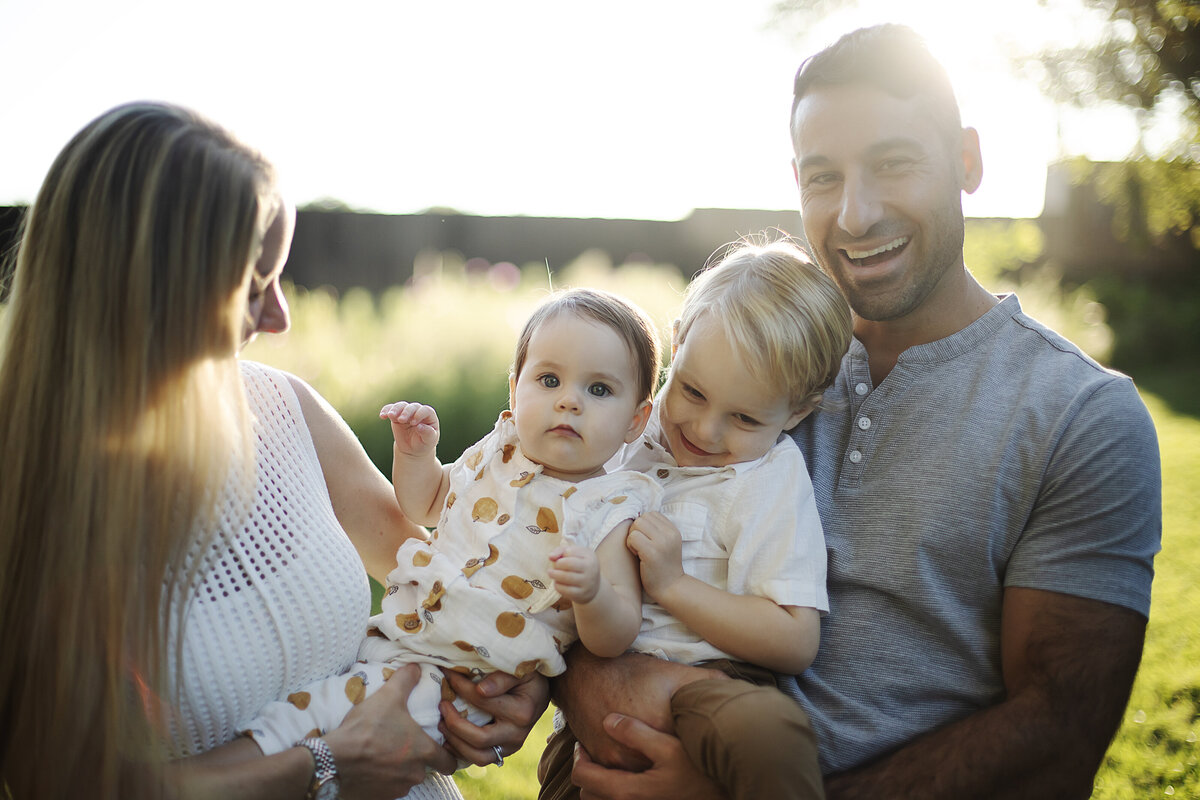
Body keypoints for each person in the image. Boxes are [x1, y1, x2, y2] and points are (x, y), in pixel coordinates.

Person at [544, 24, 1162, 800]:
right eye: (823, 177)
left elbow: (1057, 739)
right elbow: (563, 534)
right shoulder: (743, 362)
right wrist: (592, 688)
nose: (856, 214)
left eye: (894, 164)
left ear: (967, 160)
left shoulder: (1080, 418)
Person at [0, 101, 546, 800]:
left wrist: (515, 687)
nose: (280, 317)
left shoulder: (286, 410)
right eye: (254, 287)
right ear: (152, 293)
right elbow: (71, 785)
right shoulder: (36, 504)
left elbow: (434, 586)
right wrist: (327, 765)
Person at [242, 288, 663, 762]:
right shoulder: (499, 452)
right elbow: (430, 502)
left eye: (599, 389)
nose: (569, 402)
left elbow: (616, 632)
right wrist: (417, 454)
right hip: (406, 639)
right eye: (548, 380)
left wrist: (592, 594)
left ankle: (251, 761)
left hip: (466, 682)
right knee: (324, 695)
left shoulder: (609, 508)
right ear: (514, 389)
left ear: (636, 420)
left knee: (317, 718)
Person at [537, 239, 852, 800]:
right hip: (594, 708)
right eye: (693, 391)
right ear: (677, 343)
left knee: (773, 737)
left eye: (745, 417)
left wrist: (673, 585)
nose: (705, 431)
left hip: (716, 687)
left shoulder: (769, 481)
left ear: (797, 411)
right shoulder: (622, 426)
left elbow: (794, 639)